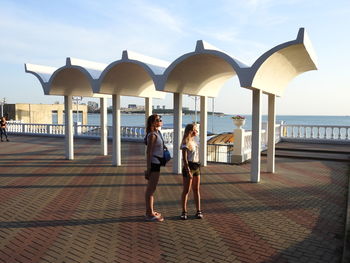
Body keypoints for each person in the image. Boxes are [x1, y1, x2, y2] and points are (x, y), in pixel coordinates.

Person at [144, 114, 164, 222]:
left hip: (156, 163)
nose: (160, 121)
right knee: (150, 189)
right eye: (158, 120)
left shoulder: (157, 133)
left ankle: (150, 210)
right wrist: (148, 168)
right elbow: (149, 152)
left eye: (160, 119)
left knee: (152, 188)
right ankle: (149, 213)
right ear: (153, 123)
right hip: (154, 164)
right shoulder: (152, 135)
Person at [180, 123, 203, 220]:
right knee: (186, 190)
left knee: (196, 189)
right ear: (190, 131)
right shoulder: (185, 142)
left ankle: (198, 211)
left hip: (196, 166)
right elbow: (184, 159)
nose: (196, 131)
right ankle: (184, 212)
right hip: (189, 166)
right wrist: (188, 171)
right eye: (195, 129)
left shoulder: (194, 141)